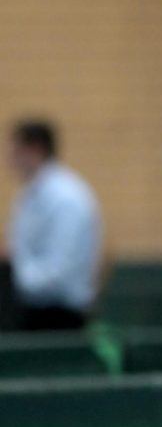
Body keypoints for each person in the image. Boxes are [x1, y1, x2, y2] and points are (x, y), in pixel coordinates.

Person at [4, 120, 103, 330]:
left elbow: (57, 273)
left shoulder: (66, 198)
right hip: (32, 310)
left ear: (35, 150)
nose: (9, 160)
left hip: (61, 316)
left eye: (15, 151)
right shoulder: (28, 196)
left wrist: (12, 279)